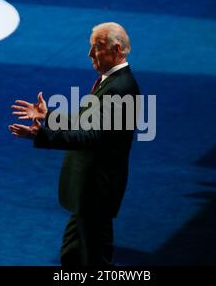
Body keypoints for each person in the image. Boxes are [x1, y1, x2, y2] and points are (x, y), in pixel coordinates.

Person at [8, 22, 140, 266]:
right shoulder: (110, 82)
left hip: (97, 190)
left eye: (96, 48)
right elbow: (85, 122)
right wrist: (48, 115)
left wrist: (41, 135)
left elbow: (90, 136)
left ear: (117, 49)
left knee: (94, 261)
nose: (90, 54)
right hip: (88, 191)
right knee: (72, 256)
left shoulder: (119, 89)